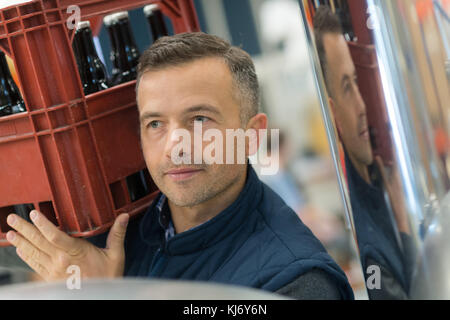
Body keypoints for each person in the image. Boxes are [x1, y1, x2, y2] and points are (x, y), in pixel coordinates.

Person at [3, 32, 353, 299]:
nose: (175, 145)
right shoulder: (121, 235)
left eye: (199, 120)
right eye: (155, 124)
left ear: (251, 135)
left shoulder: (293, 282)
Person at [313, 6, 415, 299]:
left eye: (356, 82)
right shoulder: (369, 244)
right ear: (333, 114)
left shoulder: (377, 184)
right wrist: (405, 228)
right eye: (346, 87)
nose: (361, 106)